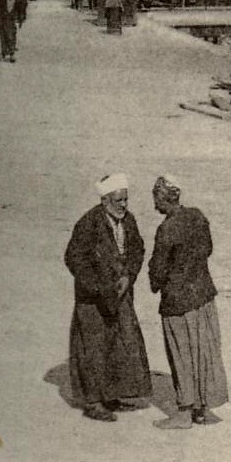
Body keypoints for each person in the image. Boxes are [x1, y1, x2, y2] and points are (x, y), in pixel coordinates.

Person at [64, 174, 152, 421]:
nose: (123, 205)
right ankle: (93, 402)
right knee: (93, 348)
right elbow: (74, 259)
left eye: (126, 199)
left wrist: (129, 275)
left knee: (118, 344)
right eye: (118, 200)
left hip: (120, 295)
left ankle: (112, 395)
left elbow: (137, 250)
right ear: (104, 201)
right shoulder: (88, 223)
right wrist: (100, 288)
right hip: (93, 300)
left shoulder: (129, 220)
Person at [147, 176, 229, 429]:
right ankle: (202, 409)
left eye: (156, 199)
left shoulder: (166, 229)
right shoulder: (197, 216)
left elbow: (158, 269)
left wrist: (156, 282)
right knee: (203, 353)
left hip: (178, 301)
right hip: (203, 296)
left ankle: (184, 413)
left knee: (182, 355)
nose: (155, 205)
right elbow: (208, 249)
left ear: (163, 198)